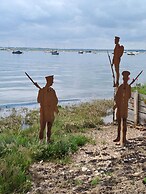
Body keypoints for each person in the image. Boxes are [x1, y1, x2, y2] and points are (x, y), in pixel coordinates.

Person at [37, 75, 58, 143]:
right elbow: (39, 100)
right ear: (48, 81)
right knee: (42, 128)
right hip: (44, 113)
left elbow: (55, 101)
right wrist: (42, 93)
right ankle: (40, 142)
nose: (52, 82)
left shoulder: (52, 91)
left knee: (49, 128)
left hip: (50, 113)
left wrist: (55, 108)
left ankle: (48, 141)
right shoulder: (41, 90)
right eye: (52, 81)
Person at [113, 71, 131, 146]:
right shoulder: (120, 87)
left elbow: (128, 96)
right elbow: (116, 97)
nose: (125, 80)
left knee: (124, 122)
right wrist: (116, 105)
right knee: (119, 123)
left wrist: (125, 91)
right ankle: (118, 137)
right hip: (119, 107)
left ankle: (124, 139)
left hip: (124, 108)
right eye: (124, 78)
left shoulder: (129, 87)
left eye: (126, 79)